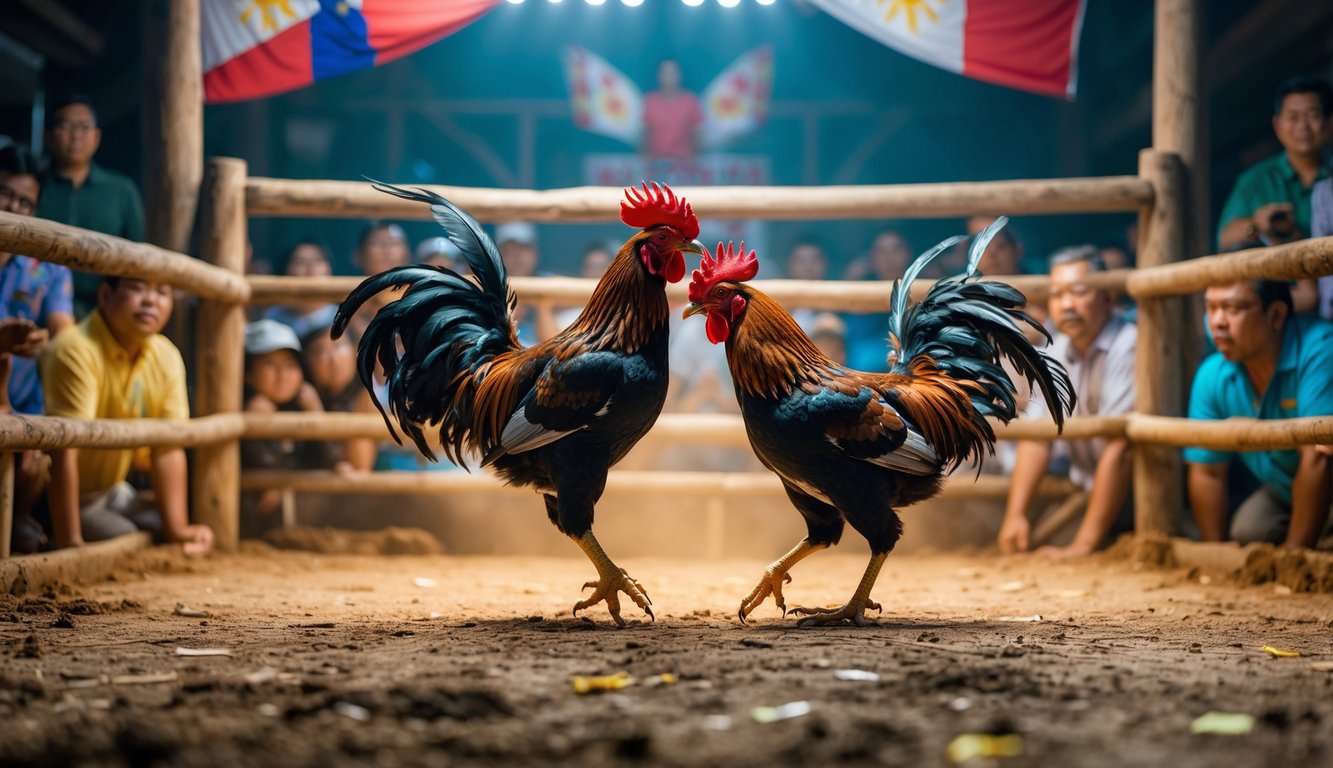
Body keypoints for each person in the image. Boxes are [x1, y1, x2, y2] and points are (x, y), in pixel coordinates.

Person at [39, 276, 213, 553]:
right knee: (127, 536)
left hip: (114, 490)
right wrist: (71, 544)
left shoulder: (165, 355)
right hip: (57, 496)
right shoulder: (75, 349)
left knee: (159, 526)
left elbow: (168, 446)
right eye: (137, 287)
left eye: (162, 291)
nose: (151, 300)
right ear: (105, 295)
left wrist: (178, 531)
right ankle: (48, 531)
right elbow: (63, 450)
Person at [999, 246, 1137, 558]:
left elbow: (1121, 448)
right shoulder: (1055, 351)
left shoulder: (1129, 344)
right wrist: (1015, 515)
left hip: (1135, 490)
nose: (1067, 304)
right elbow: (1037, 436)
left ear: (1109, 298)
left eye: (1078, 292)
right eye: (1058, 295)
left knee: (1066, 541)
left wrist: (1083, 546)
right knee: (1032, 539)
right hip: (1085, 489)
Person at [1185, 279, 1333, 549]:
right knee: (1251, 530)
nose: (1217, 321)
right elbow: (1207, 471)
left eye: (1232, 308)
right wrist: (1215, 554)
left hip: (1327, 486)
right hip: (1283, 489)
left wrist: (1293, 556)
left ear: (1275, 314)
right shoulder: (1212, 373)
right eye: (1211, 308)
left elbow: (1318, 458)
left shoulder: (1320, 350)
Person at [0, 144, 72, 553]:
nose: (14, 207)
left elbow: (64, 330)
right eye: (5, 194)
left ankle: (15, 522)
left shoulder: (46, 265)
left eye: (26, 201)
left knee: (32, 461)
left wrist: (47, 339)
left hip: (25, 409)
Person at [37, 96, 146, 317]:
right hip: (33, 305)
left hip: (103, 312)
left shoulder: (122, 190)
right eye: (65, 126)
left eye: (84, 127)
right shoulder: (33, 186)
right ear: (48, 136)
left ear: (96, 137)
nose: (76, 135)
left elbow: (137, 254)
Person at [241, 320, 335, 535]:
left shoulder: (304, 404)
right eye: (269, 364)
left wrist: (315, 412)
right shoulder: (254, 407)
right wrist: (276, 482)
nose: (282, 374)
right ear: (248, 373)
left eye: (291, 364)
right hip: (253, 526)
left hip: (306, 522)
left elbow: (330, 460)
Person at [1217, 76, 1332, 253]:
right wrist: (1257, 225)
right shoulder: (1256, 180)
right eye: (1293, 117)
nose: (1303, 126)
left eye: (1313, 115)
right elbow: (1225, 238)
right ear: (1277, 126)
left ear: (1329, 123)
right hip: (1279, 278)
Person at [300, 324, 376, 475]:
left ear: (356, 352)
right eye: (321, 352)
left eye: (340, 347)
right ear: (306, 362)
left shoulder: (367, 394)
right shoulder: (301, 394)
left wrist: (315, 413)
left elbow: (359, 467)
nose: (334, 359)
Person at [841, 230, 911, 373]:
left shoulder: (922, 292)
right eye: (881, 251)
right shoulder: (858, 296)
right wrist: (848, 281)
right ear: (871, 258)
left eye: (896, 249)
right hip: (860, 382)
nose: (889, 258)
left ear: (908, 253)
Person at [261, 239, 337, 338]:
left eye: (318, 260)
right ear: (286, 270)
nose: (311, 268)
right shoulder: (272, 317)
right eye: (301, 262)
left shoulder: (342, 317)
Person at [641, 58, 704, 161]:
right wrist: (646, 161)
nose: (669, 77)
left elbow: (697, 136)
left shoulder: (690, 101)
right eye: (665, 73)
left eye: (672, 73)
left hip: (684, 163)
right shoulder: (650, 101)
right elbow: (645, 135)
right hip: (656, 163)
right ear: (659, 76)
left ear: (679, 76)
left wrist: (695, 161)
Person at [783, 239, 829, 335]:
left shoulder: (837, 302)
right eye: (801, 261)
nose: (808, 267)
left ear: (825, 264)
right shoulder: (780, 302)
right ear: (790, 265)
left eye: (814, 260)